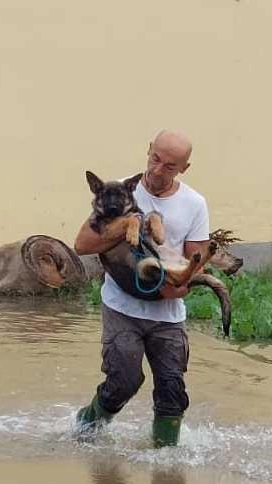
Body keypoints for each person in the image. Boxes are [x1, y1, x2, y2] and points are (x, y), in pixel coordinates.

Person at [73, 129, 210, 447]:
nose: (158, 170)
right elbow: (82, 244)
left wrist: (182, 287)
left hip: (168, 312)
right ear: (148, 151)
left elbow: (196, 257)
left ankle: (166, 462)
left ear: (184, 169)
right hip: (123, 307)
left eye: (170, 166)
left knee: (172, 390)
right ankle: (84, 430)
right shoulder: (119, 190)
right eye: (155, 159)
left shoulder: (194, 203)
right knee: (123, 382)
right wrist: (126, 225)